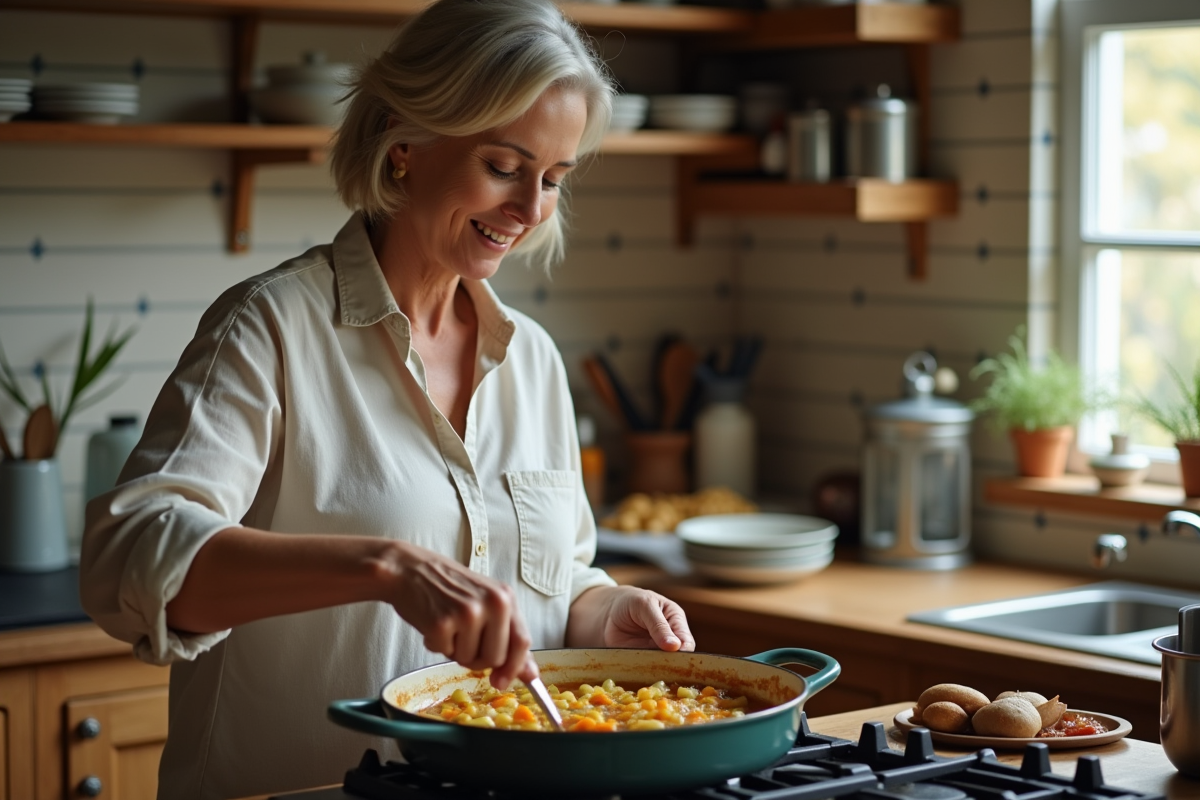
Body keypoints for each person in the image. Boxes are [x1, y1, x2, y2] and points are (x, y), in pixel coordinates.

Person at [79, 1, 695, 797]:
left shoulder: (532, 360)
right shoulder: (271, 327)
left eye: (552, 179)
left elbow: (554, 579)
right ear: (405, 146)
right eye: (504, 167)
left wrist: (603, 610)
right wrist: (385, 566)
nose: (531, 209)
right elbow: (130, 557)